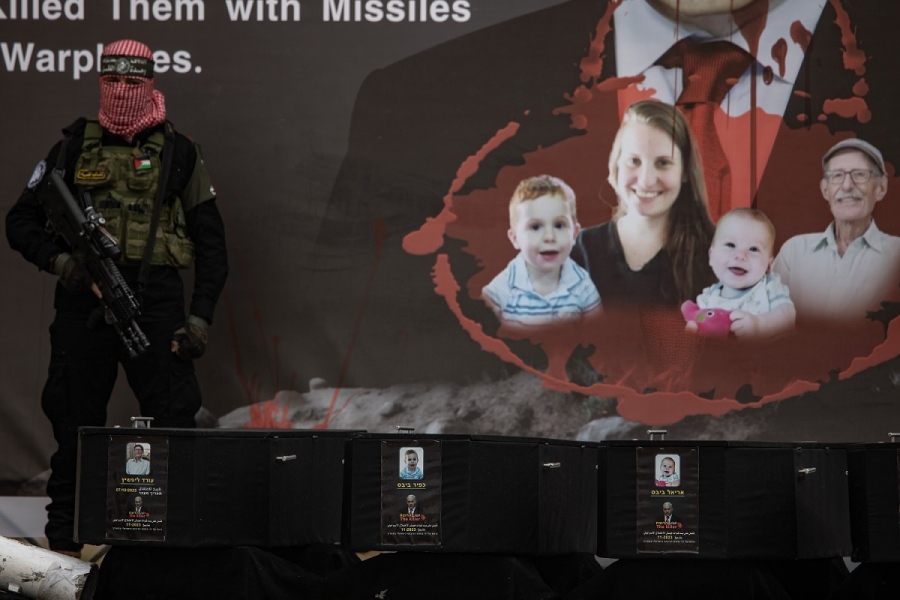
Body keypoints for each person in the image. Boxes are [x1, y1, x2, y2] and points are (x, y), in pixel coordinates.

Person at [5, 39, 228, 556]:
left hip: (155, 304)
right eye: (113, 81)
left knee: (172, 426)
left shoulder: (178, 153)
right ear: (100, 82)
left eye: (133, 82)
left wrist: (199, 320)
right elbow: (21, 222)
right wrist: (65, 265)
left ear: (150, 84)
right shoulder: (71, 149)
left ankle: (167, 552)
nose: (123, 91)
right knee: (74, 429)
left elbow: (213, 247)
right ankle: (63, 552)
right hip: (83, 303)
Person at [571, 99, 715, 309]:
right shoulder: (577, 250)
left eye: (663, 163)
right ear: (616, 165)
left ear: (685, 171)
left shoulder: (721, 254)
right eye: (634, 161)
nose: (646, 180)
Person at [773, 139, 900, 327]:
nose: (847, 185)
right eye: (837, 176)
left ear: (881, 188)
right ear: (826, 190)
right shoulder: (793, 252)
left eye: (860, 174)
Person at [482, 175, 601, 326]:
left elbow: (598, 332)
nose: (549, 237)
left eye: (559, 225)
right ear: (515, 238)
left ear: (574, 234)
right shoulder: (501, 291)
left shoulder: (583, 286)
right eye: (535, 227)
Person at [690, 208, 795, 339]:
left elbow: (788, 316)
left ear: (768, 265)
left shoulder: (769, 287)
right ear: (711, 255)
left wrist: (759, 325)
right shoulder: (708, 297)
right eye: (730, 245)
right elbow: (700, 317)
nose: (740, 255)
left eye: (753, 249)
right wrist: (694, 325)